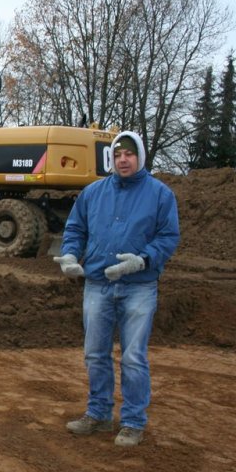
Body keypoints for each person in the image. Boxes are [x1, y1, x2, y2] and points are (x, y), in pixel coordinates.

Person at [54, 131, 180, 447]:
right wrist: (70, 254)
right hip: (97, 284)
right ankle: (98, 415)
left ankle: (133, 422)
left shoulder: (161, 195)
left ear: (140, 156)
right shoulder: (93, 193)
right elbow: (75, 229)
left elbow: (168, 237)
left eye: (129, 153)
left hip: (139, 287)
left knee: (134, 357)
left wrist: (142, 260)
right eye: (118, 154)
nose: (123, 159)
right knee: (95, 354)